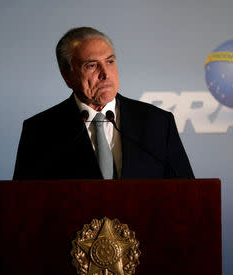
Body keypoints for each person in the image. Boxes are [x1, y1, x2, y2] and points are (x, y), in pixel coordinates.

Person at [13, 27, 194, 180]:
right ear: (67, 76)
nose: (105, 73)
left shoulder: (158, 122)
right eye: (91, 65)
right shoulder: (40, 131)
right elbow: (24, 206)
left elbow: (187, 193)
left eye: (110, 62)